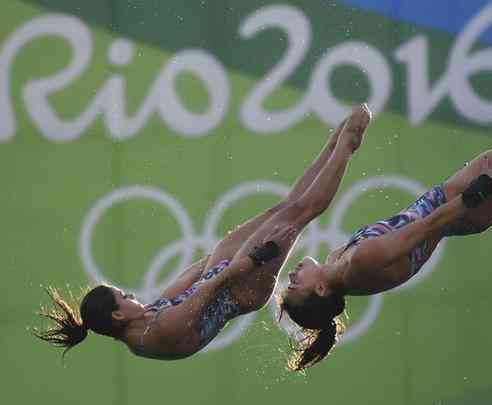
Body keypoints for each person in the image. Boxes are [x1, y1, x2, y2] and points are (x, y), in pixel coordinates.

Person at [277, 106, 492, 370]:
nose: (291, 275)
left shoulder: (339, 259)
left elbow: (301, 202)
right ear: (320, 289)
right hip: (464, 204)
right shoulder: (361, 264)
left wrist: (341, 140)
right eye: (295, 285)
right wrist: (482, 187)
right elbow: (429, 226)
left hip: (455, 197)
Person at [33, 104, 373, 360]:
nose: (131, 295)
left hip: (223, 272)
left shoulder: (142, 322)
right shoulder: (157, 333)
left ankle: (334, 142)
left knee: (283, 209)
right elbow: (212, 288)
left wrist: (216, 253)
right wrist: (253, 258)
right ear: (118, 314)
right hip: (241, 285)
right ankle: (347, 144)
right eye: (124, 296)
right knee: (300, 213)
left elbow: (193, 275)